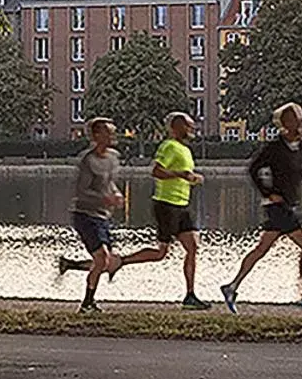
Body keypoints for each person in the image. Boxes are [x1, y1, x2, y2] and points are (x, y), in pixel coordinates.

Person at [221, 102, 302, 313]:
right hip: (278, 208)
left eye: (301, 119)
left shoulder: (297, 148)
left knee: (262, 249)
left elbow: (298, 173)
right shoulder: (274, 148)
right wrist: (268, 193)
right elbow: (253, 169)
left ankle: (232, 286)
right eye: (296, 119)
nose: (301, 123)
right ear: (286, 123)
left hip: (286, 206)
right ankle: (301, 293)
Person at [113, 112, 211, 309]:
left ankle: (190, 296)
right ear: (176, 128)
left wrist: (192, 178)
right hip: (166, 205)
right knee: (161, 253)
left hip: (182, 205)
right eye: (188, 126)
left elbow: (183, 175)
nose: (192, 130)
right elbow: (156, 171)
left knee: (192, 247)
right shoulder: (168, 146)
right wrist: (181, 174)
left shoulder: (185, 150)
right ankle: (122, 261)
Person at [58, 117, 126, 313]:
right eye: (108, 131)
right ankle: (87, 303)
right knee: (102, 258)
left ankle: (86, 298)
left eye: (113, 131)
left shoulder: (113, 157)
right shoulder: (88, 160)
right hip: (85, 215)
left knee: (105, 261)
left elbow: (109, 183)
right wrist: (104, 198)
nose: (112, 134)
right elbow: (82, 191)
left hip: (102, 216)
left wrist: (116, 194)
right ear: (97, 135)